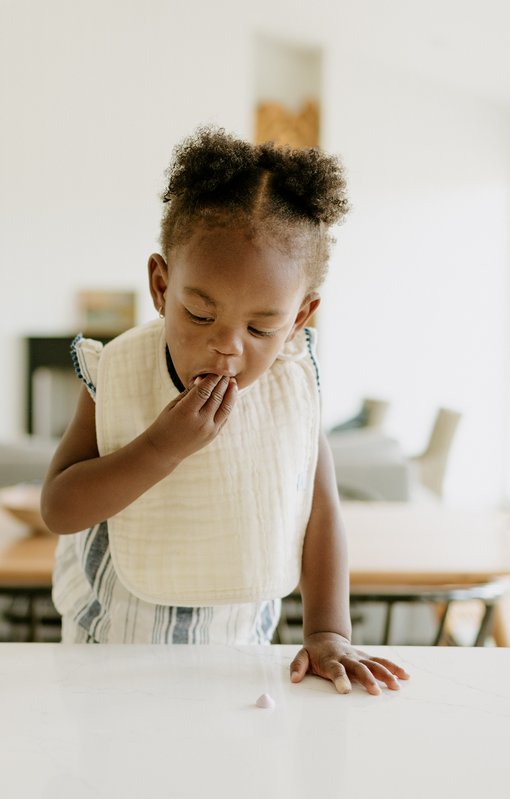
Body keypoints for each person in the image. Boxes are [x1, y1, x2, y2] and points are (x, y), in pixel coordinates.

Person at [41, 126, 409, 695]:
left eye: (262, 327)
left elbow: (321, 513)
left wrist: (329, 630)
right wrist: (160, 448)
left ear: (300, 318)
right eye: (199, 313)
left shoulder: (290, 388)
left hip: (239, 655)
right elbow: (60, 509)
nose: (228, 345)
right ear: (161, 286)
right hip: (107, 656)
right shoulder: (116, 373)